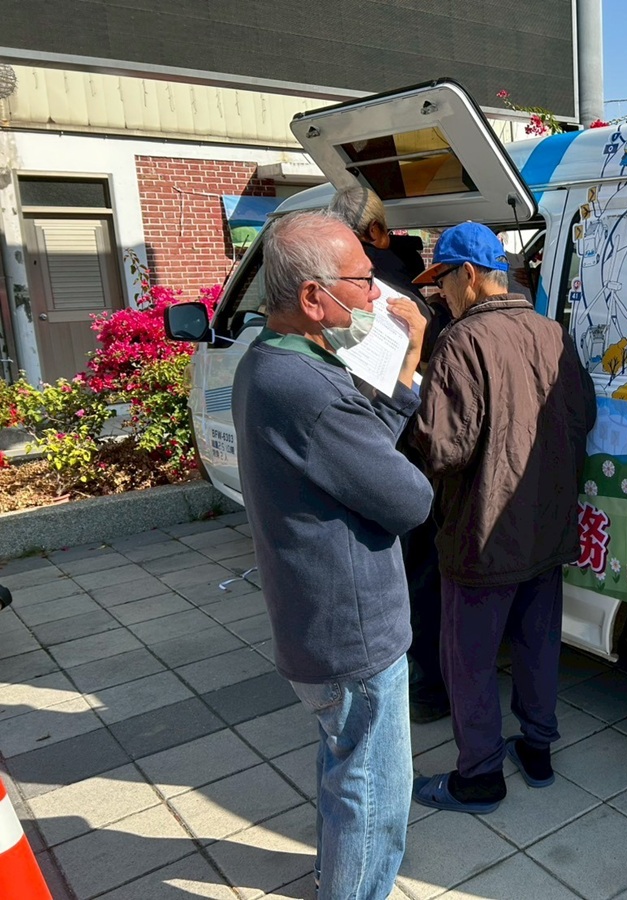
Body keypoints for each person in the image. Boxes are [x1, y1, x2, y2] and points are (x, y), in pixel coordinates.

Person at [231, 209, 432, 898]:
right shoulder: (310, 388)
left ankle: (336, 880)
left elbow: (359, 443)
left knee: (347, 772)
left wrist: (406, 361)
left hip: (314, 620)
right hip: (353, 633)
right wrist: (408, 367)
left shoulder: (270, 360)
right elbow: (409, 499)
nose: (378, 296)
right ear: (314, 297)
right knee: (372, 801)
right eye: (364, 282)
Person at [406, 222, 596, 814]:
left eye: (441, 281)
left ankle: (481, 776)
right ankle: (537, 750)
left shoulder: (461, 342)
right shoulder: (551, 331)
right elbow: (583, 416)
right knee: (538, 644)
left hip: (482, 534)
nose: (438, 295)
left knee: (468, 660)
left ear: (468, 274)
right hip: (548, 526)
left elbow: (442, 448)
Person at [329, 187, 451, 722]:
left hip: (369, 438)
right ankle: (427, 685)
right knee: (420, 568)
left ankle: (417, 684)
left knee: (395, 566)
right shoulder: (412, 289)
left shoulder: (341, 292)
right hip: (412, 442)